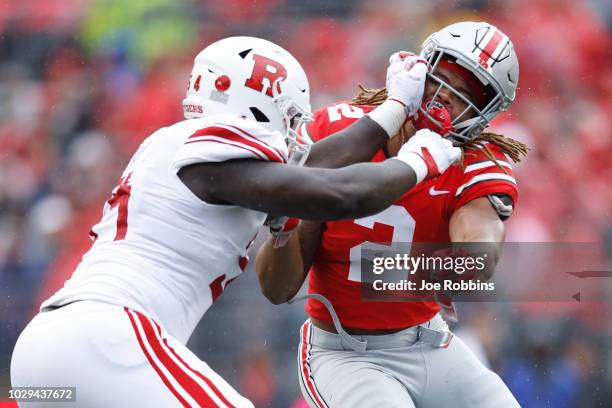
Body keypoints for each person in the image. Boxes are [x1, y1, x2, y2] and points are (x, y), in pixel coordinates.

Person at [10, 36, 460, 408]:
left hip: (44, 358)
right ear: (261, 105)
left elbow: (310, 171)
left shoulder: (185, 153)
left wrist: (395, 108)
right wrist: (420, 161)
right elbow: (339, 193)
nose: (294, 133)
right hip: (105, 337)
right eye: (289, 118)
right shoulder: (207, 148)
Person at [256, 22, 529, 407]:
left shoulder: (475, 160)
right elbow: (277, 289)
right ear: (420, 69)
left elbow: (479, 255)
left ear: (487, 113)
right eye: (442, 80)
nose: (447, 98)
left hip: (429, 342)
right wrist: (288, 222)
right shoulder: (340, 130)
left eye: (467, 94)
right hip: (345, 353)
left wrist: (390, 271)